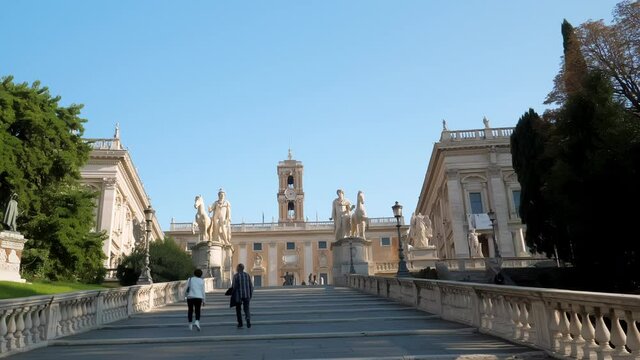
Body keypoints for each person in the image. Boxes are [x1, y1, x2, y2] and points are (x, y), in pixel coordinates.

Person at [232, 263, 253, 328]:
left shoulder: (236, 276)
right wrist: (250, 294)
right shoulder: (247, 275)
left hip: (238, 296)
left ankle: (240, 323)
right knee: (246, 308)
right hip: (247, 294)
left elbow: (233, 286)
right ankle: (248, 318)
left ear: (238, 268)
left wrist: (232, 295)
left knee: (238, 309)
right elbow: (251, 286)